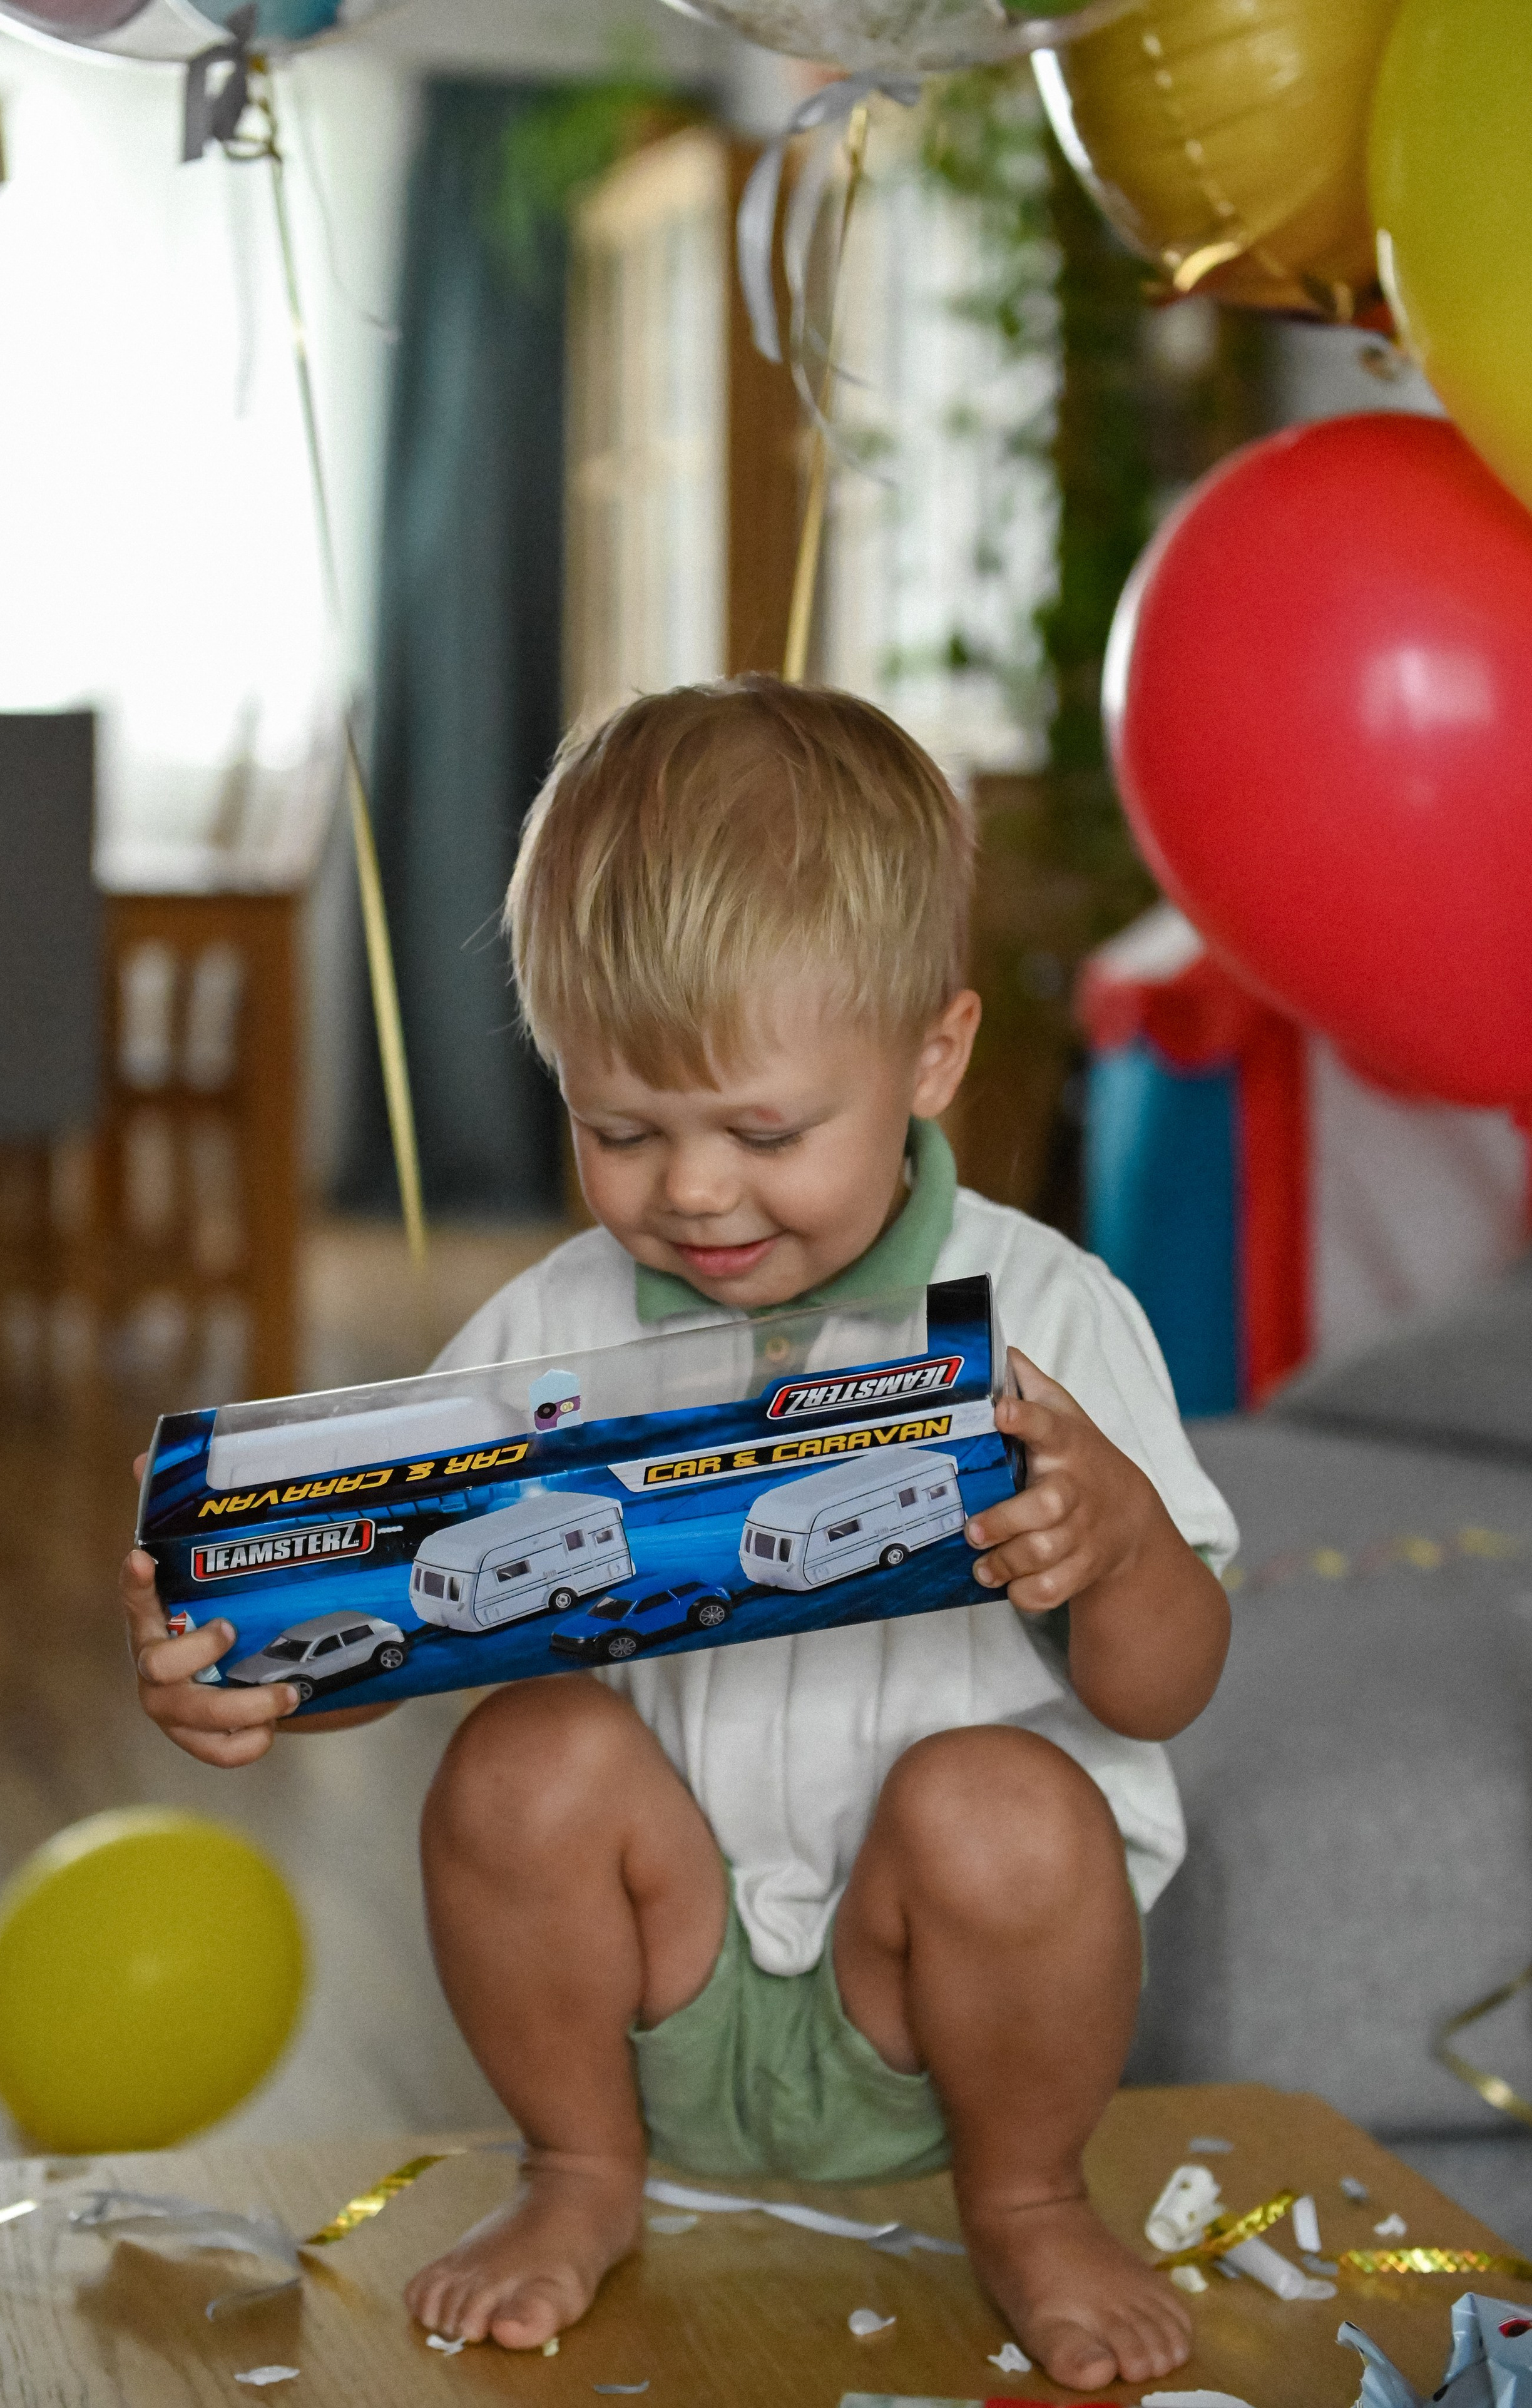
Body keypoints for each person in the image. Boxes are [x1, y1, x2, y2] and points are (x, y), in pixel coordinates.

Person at [121, 677, 1237, 2392]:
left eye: (764, 1134)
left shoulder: (1050, 1313)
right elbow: (402, 1615)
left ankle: (1029, 2201)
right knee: (520, 1759)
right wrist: (256, 1675)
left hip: (947, 2005)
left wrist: (1124, 1546)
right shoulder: (556, 1325)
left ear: (933, 1055)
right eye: (620, 1129)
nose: (695, 1194)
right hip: (661, 1970)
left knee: (1004, 1801)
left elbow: (1165, 1694)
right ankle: (581, 2172)